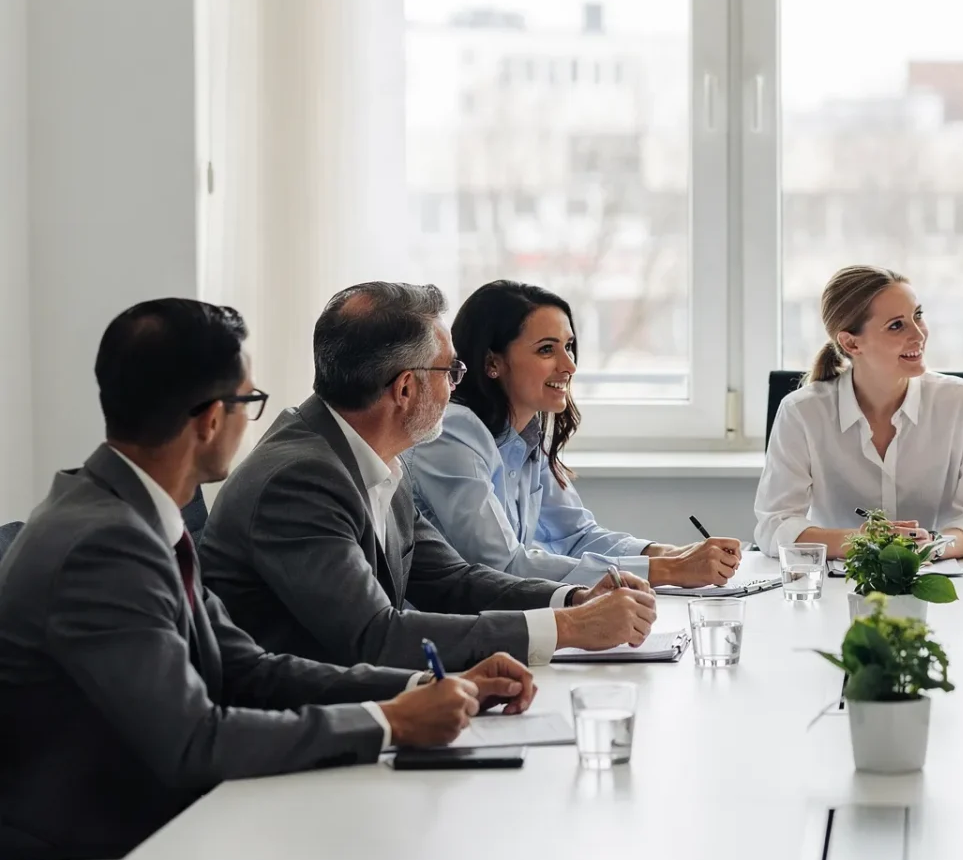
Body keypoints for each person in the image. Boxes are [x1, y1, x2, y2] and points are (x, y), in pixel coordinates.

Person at [0, 300, 530, 860]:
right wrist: (389, 722)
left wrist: (423, 689)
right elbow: (194, 740)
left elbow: (247, 668)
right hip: (94, 859)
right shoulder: (103, 546)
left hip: (168, 820)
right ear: (207, 420)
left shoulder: (131, 512)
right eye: (248, 403)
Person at [200, 283, 657, 671]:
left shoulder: (372, 458)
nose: (458, 386)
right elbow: (375, 635)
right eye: (451, 371)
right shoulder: (300, 480)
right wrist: (568, 628)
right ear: (405, 388)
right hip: (297, 732)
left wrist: (571, 599)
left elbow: (452, 580)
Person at [406, 280, 742, 588]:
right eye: (547, 350)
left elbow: (577, 535)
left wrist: (669, 553)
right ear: (493, 362)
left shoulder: (526, 434)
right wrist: (671, 571)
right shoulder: (453, 431)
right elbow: (502, 564)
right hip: (452, 632)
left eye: (569, 346)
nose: (570, 365)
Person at [754, 266, 963, 560]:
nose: (919, 334)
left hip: (942, 579)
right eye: (897, 325)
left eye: (918, 316)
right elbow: (775, 525)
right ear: (851, 342)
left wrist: (927, 548)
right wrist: (865, 542)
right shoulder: (802, 413)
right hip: (839, 585)